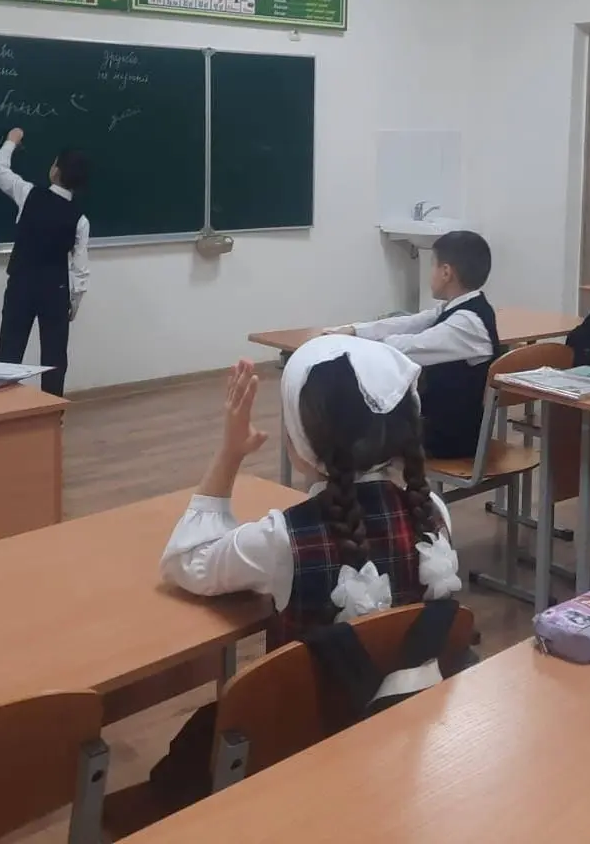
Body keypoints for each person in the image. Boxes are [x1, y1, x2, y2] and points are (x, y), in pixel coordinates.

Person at [153, 337, 462, 815]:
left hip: (298, 756)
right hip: (404, 750)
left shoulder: (283, 539)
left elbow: (185, 560)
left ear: (301, 443)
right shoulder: (434, 514)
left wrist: (230, 453)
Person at [336, 230, 500, 459]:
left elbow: (408, 347)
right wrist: (355, 331)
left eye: (432, 265)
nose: (430, 273)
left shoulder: (468, 323)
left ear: (446, 272)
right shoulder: (460, 307)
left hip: (451, 437)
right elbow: (411, 322)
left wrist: (355, 344)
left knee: (351, 425)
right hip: (442, 424)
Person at [0, 128, 89, 397]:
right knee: (55, 359)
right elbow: (80, 270)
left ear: (55, 171)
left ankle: (1, 409)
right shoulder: (80, 219)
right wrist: (73, 304)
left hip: (21, 285)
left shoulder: (29, 194)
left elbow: (0, 170)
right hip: (56, 291)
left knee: (9, 353)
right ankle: (52, 414)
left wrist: (11, 142)